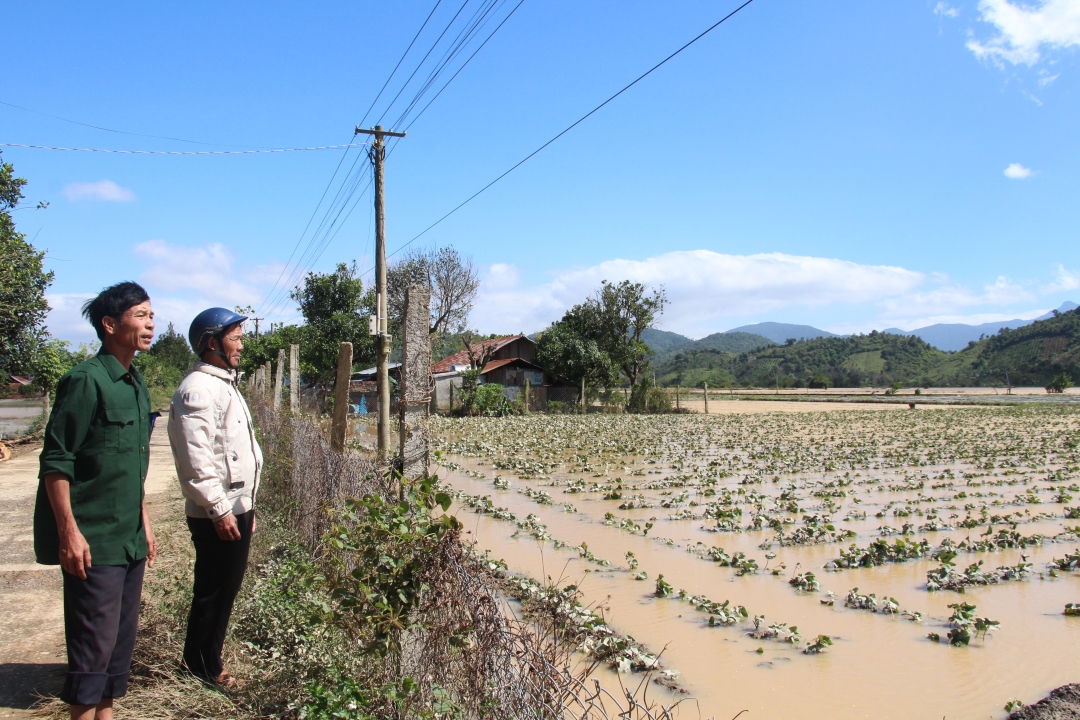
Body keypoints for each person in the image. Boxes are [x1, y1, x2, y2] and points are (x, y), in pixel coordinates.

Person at [35, 282, 158, 720]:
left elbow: (130, 464)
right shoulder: (85, 381)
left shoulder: (135, 383)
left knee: (115, 653)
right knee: (90, 655)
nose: (150, 324)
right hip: (95, 541)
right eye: (140, 315)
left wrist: (143, 518)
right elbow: (56, 462)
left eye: (151, 315)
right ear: (110, 325)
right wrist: (68, 531)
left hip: (128, 541)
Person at [167, 308, 262, 687]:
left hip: (234, 506)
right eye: (235, 338)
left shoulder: (223, 383)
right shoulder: (199, 389)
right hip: (216, 512)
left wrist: (245, 507)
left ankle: (205, 659)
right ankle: (202, 666)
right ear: (212, 342)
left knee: (224, 590)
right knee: (213, 591)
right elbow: (196, 459)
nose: (241, 345)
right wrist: (220, 508)